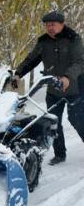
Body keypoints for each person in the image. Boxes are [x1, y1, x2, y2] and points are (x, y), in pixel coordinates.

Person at [13, 11, 84, 165]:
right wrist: (18, 73)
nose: (49, 28)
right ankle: (59, 154)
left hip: (75, 88)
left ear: (62, 24)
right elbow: (31, 59)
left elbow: (79, 62)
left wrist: (67, 77)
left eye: (53, 24)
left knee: (77, 119)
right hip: (54, 89)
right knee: (53, 122)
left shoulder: (73, 39)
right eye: (47, 25)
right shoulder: (43, 42)